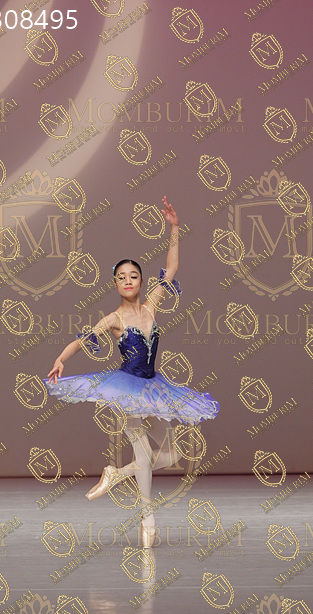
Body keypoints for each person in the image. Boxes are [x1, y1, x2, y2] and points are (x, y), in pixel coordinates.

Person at [45, 196, 219, 548]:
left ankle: (116, 474)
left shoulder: (152, 306)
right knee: (142, 452)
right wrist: (61, 359)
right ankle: (147, 518)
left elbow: (171, 268)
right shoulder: (115, 319)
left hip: (154, 387)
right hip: (125, 388)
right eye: (121, 277)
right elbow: (82, 339)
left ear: (141, 281)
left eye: (133, 275)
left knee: (172, 456)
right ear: (115, 284)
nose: (128, 280)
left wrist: (174, 227)